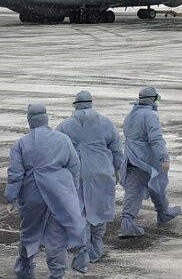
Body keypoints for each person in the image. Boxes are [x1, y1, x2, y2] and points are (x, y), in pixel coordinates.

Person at [5, 103, 85, 279]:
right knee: (56, 236)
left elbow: (15, 174)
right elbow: (74, 166)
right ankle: (57, 273)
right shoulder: (62, 139)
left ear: (29, 120)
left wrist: (11, 197)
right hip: (59, 194)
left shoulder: (21, 144)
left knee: (29, 232)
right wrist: (70, 189)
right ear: (46, 118)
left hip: (33, 194)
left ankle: (24, 269)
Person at [56, 91, 123, 273]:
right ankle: (97, 247)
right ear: (91, 103)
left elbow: (57, 150)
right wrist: (118, 169)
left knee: (80, 211)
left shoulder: (65, 125)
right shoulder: (105, 123)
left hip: (75, 173)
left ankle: (82, 249)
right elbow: (116, 148)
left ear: (75, 105)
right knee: (100, 208)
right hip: (102, 171)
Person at [118, 86, 181, 237]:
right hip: (147, 161)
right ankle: (162, 213)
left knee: (135, 192)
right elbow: (156, 139)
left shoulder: (131, 115)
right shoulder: (150, 115)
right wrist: (163, 158)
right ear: (152, 99)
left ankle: (129, 221)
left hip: (131, 159)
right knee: (156, 187)